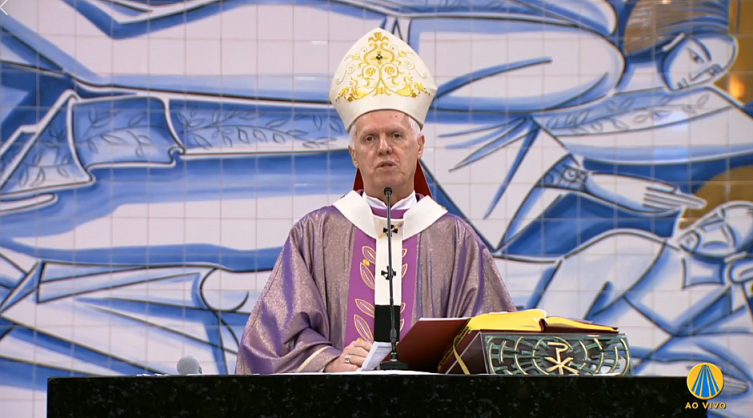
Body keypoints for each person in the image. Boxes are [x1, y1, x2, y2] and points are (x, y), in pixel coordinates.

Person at [234, 28, 516, 375]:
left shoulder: (456, 241)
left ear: (419, 146)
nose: (384, 148)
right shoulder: (314, 236)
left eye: (396, 135)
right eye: (369, 138)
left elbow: (497, 345)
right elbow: (269, 343)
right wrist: (329, 363)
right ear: (353, 153)